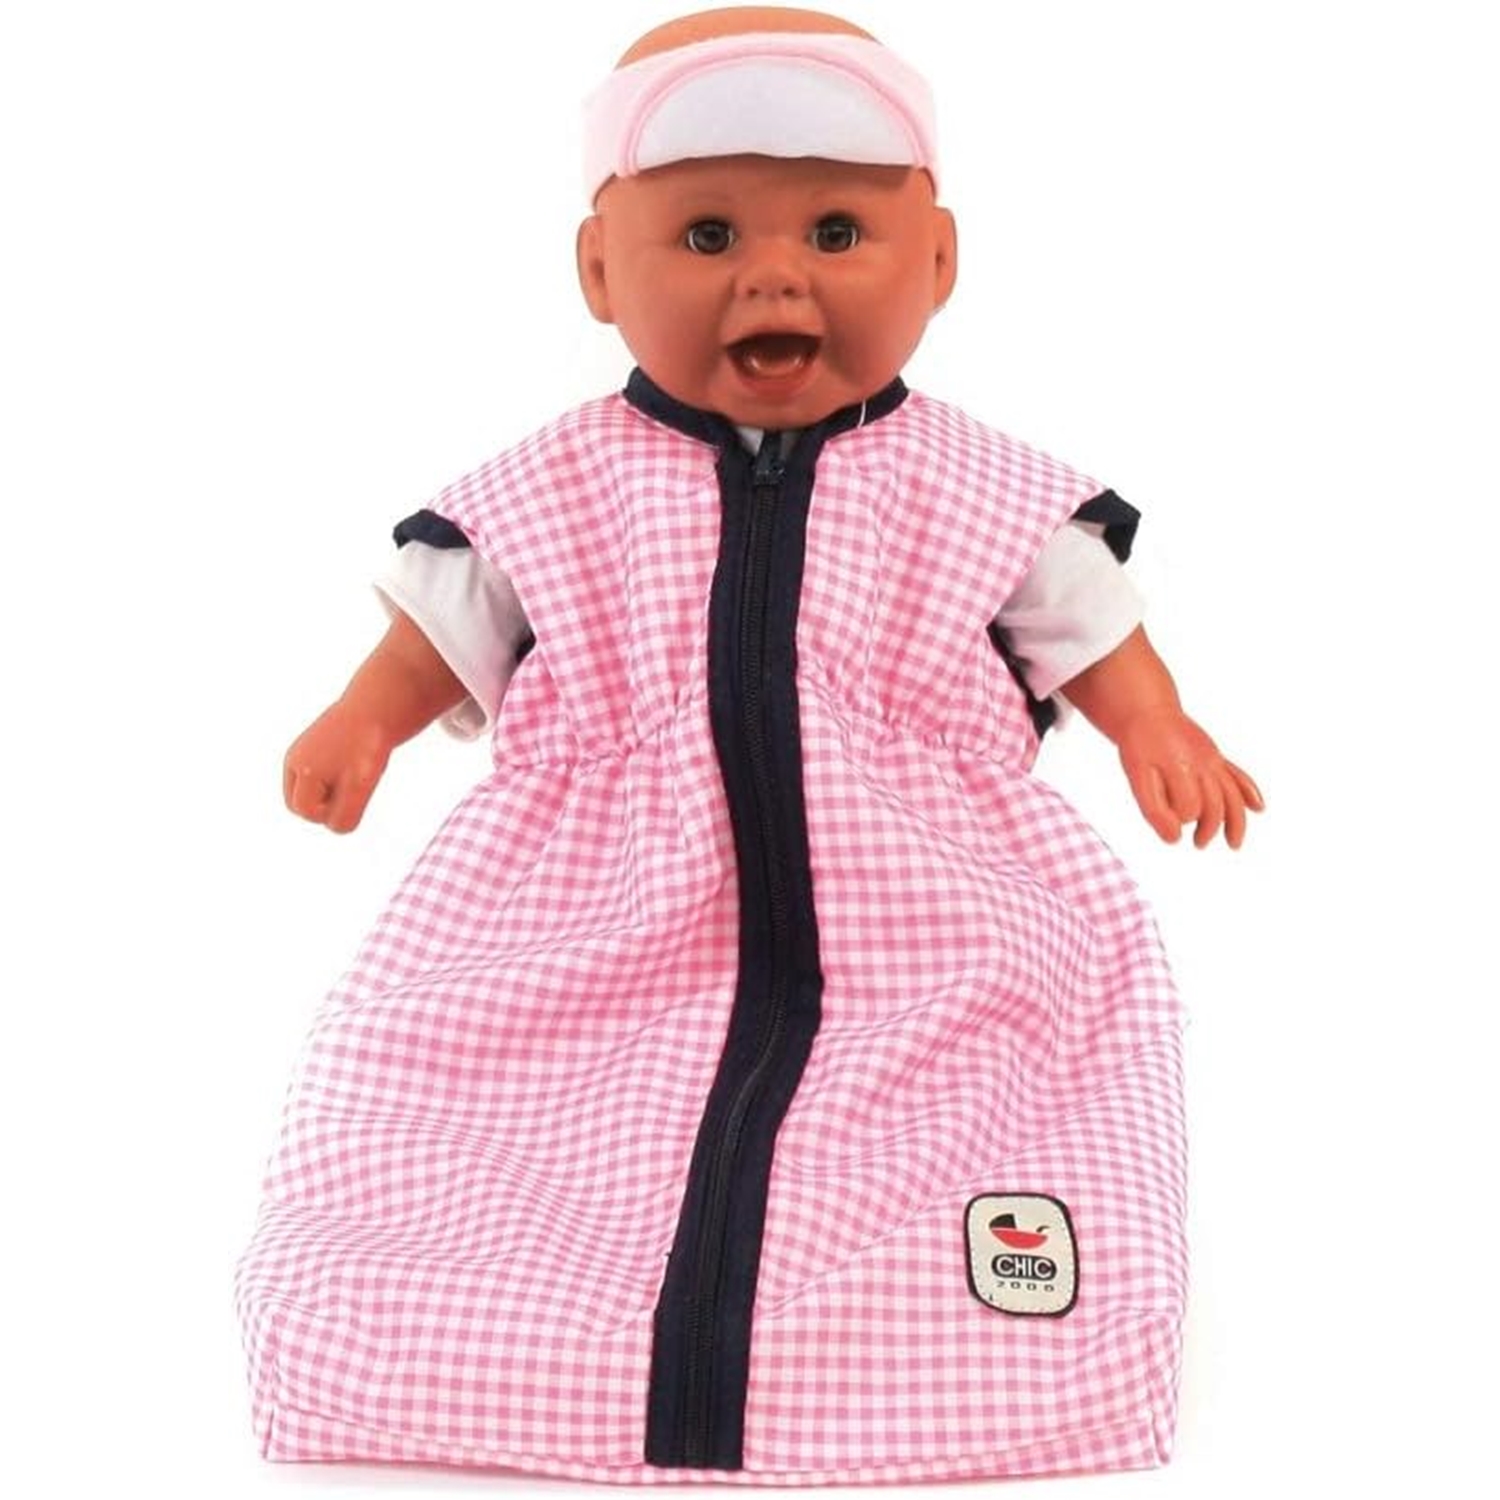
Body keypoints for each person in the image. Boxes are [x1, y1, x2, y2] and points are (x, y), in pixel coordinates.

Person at [242, 6, 1262, 1483]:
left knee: (988, 1119)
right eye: (708, 234)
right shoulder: (554, 485)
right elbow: (444, 624)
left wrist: (1158, 725)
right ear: (600, 271)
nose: (775, 274)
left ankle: (945, 1371)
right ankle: (466, 1355)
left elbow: (1090, 630)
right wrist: (362, 722)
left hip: (934, 925)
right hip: (581, 923)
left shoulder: (983, 487)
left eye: (837, 232)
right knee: (453, 1112)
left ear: (939, 262)